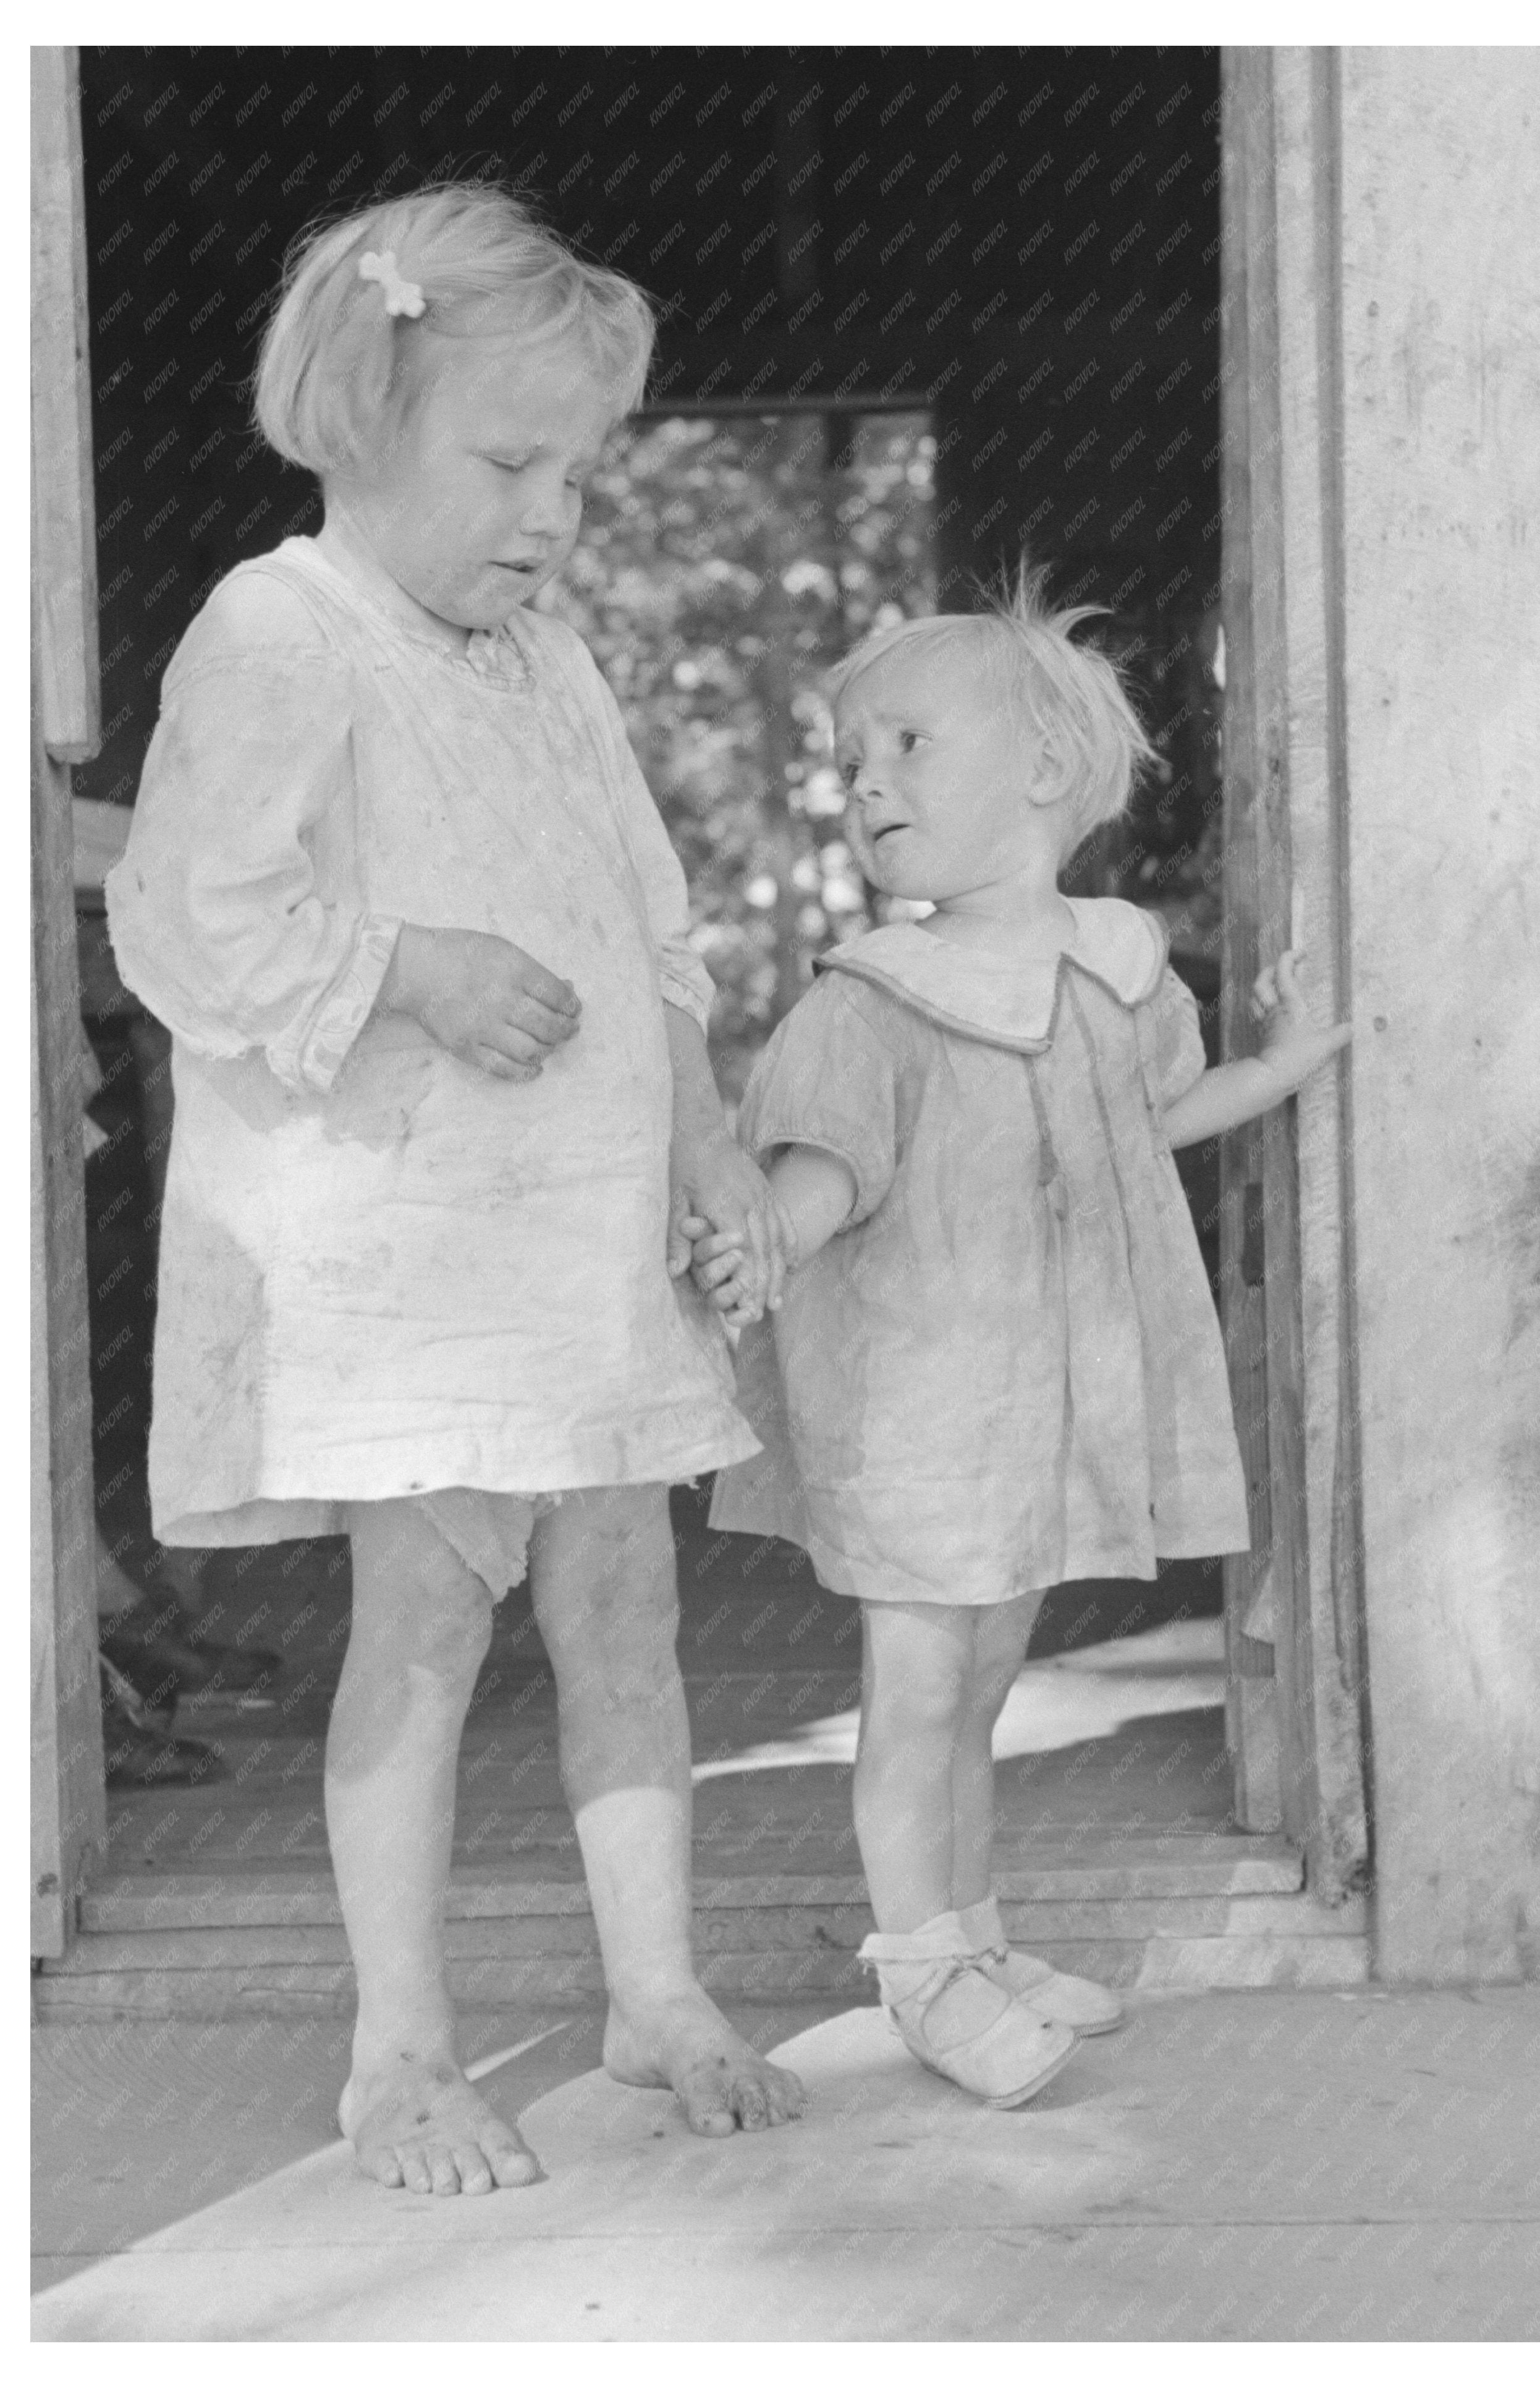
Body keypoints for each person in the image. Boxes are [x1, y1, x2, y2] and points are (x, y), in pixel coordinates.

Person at [106, 183, 805, 2196]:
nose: (549, 515)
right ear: (359, 418)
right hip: (414, 1253)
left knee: (624, 1601)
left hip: (579, 1245)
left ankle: (652, 1988)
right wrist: (413, 964)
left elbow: (650, 925)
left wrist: (702, 1139)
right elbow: (189, 913)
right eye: (509, 463)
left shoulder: (552, 667)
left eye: (574, 475)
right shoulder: (282, 635)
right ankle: (396, 2053)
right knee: (420, 1620)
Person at [701, 578, 1352, 2107]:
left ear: (1046, 775)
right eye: (852, 757)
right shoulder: (879, 997)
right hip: (923, 1406)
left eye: (907, 742)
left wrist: (1279, 1063)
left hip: (1034, 1402)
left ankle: (975, 1935)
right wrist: (769, 1233)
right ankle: (918, 1969)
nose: (864, 781)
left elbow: (1155, 1123)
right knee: (918, 1687)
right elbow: (828, 1163)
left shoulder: (1116, 959)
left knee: (985, 1679)